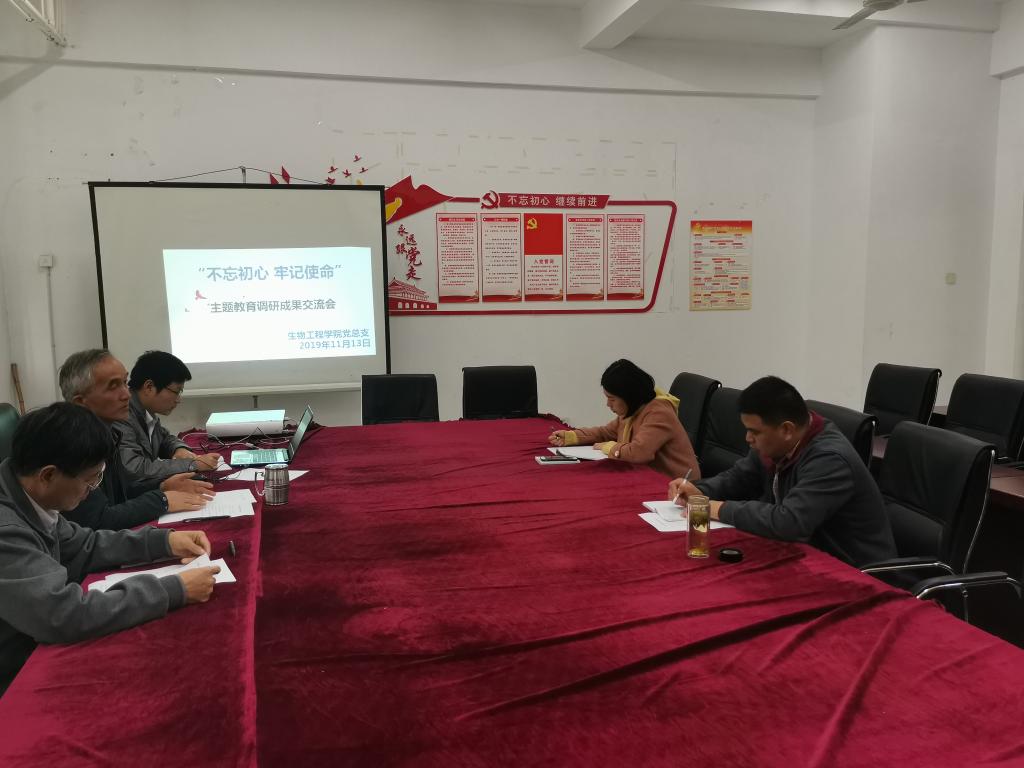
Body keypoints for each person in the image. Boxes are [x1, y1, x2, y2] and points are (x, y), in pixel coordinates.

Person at [0, 403, 220, 694]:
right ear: (48, 476)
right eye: (90, 479)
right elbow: (63, 615)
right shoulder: (7, 531)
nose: (92, 489)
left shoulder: (29, 495)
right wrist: (172, 590)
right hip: (14, 674)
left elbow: (85, 546)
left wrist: (162, 542)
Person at [668, 375, 896, 567]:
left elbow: (789, 522)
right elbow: (738, 478)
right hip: (801, 555)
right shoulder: (778, 443)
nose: (748, 438)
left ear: (786, 429)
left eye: (754, 432)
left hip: (854, 571)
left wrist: (716, 508)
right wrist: (699, 490)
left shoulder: (830, 459)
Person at [58, 349, 211, 530]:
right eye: (113, 386)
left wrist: (162, 485)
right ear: (80, 402)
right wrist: (162, 500)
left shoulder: (107, 434)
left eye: (124, 382)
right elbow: (99, 521)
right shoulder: (74, 446)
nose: (127, 394)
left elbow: (120, 492)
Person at [549, 359, 699, 479]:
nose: (608, 404)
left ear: (629, 396)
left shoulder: (659, 412)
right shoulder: (633, 410)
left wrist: (609, 447)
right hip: (647, 478)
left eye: (612, 399)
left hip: (677, 487)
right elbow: (605, 432)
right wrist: (572, 436)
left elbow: (639, 452)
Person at [116, 350, 221, 493]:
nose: (178, 400)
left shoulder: (145, 411)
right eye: (176, 391)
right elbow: (134, 469)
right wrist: (192, 464)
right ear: (149, 387)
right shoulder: (122, 415)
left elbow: (164, 438)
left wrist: (178, 449)